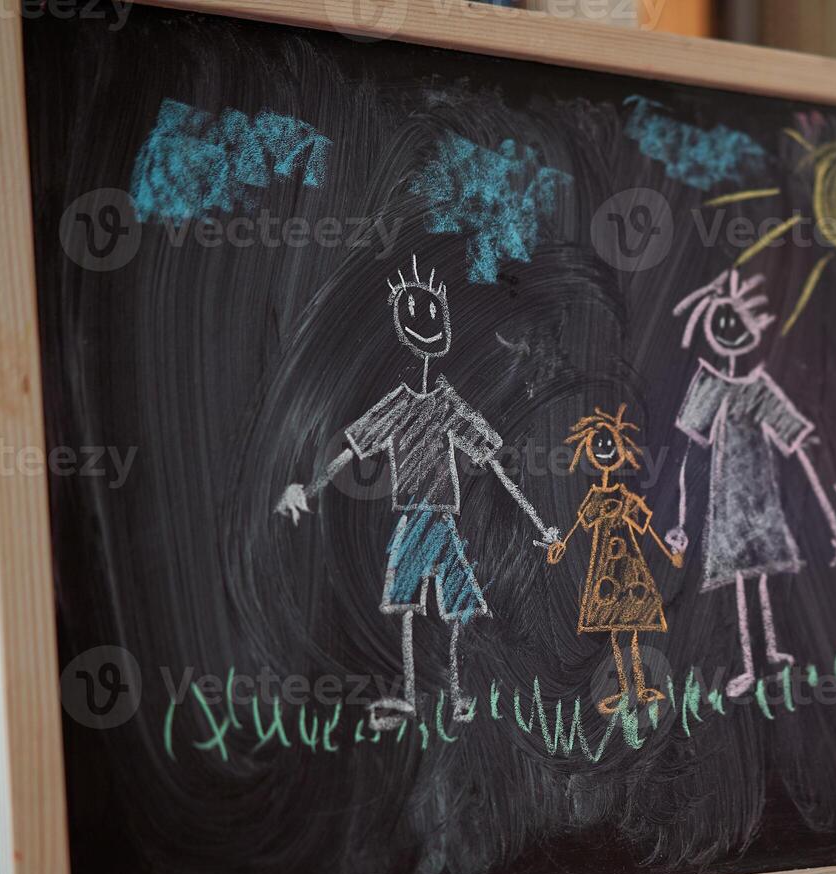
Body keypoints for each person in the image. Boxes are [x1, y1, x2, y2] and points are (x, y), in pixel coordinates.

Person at [275, 256, 559, 730]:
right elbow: (351, 449)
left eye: (434, 311)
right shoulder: (399, 406)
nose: (428, 320)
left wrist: (536, 521)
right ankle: (412, 693)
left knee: (456, 603)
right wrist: (310, 486)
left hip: (440, 520)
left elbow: (493, 461)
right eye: (417, 311)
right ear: (404, 329)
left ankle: (456, 689)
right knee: (407, 603)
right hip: (416, 517)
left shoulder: (448, 404)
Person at [668, 270, 836, 697]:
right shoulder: (711, 384)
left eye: (740, 322)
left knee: (762, 572)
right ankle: (749, 662)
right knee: (744, 578)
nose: (732, 331)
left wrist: (832, 509)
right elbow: (689, 450)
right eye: (724, 322)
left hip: (762, 498)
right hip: (727, 500)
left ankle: (772, 651)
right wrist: (681, 519)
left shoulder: (761, 388)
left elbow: (797, 443)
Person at [547, 405, 683, 714]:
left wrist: (670, 554)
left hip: (628, 570)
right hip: (605, 572)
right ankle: (624, 687)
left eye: (609, 444)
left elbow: (647, 527)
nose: (605, 450)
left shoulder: (624, 496)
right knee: (614, 632)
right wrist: (559, 548)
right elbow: (574, 530)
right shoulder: (596, 496)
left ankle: (640, 686)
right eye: (599, 444)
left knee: (631, 630)